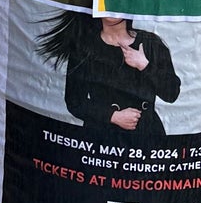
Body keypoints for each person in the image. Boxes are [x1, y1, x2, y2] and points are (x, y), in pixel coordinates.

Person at [39, 13, 181, 144]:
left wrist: (144, 65)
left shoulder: (151, 44)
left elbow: (171, 94)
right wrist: (113, 116)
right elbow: (74, 101)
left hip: (146, 136)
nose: (112, 9)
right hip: (101, 136)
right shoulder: (84, 47)